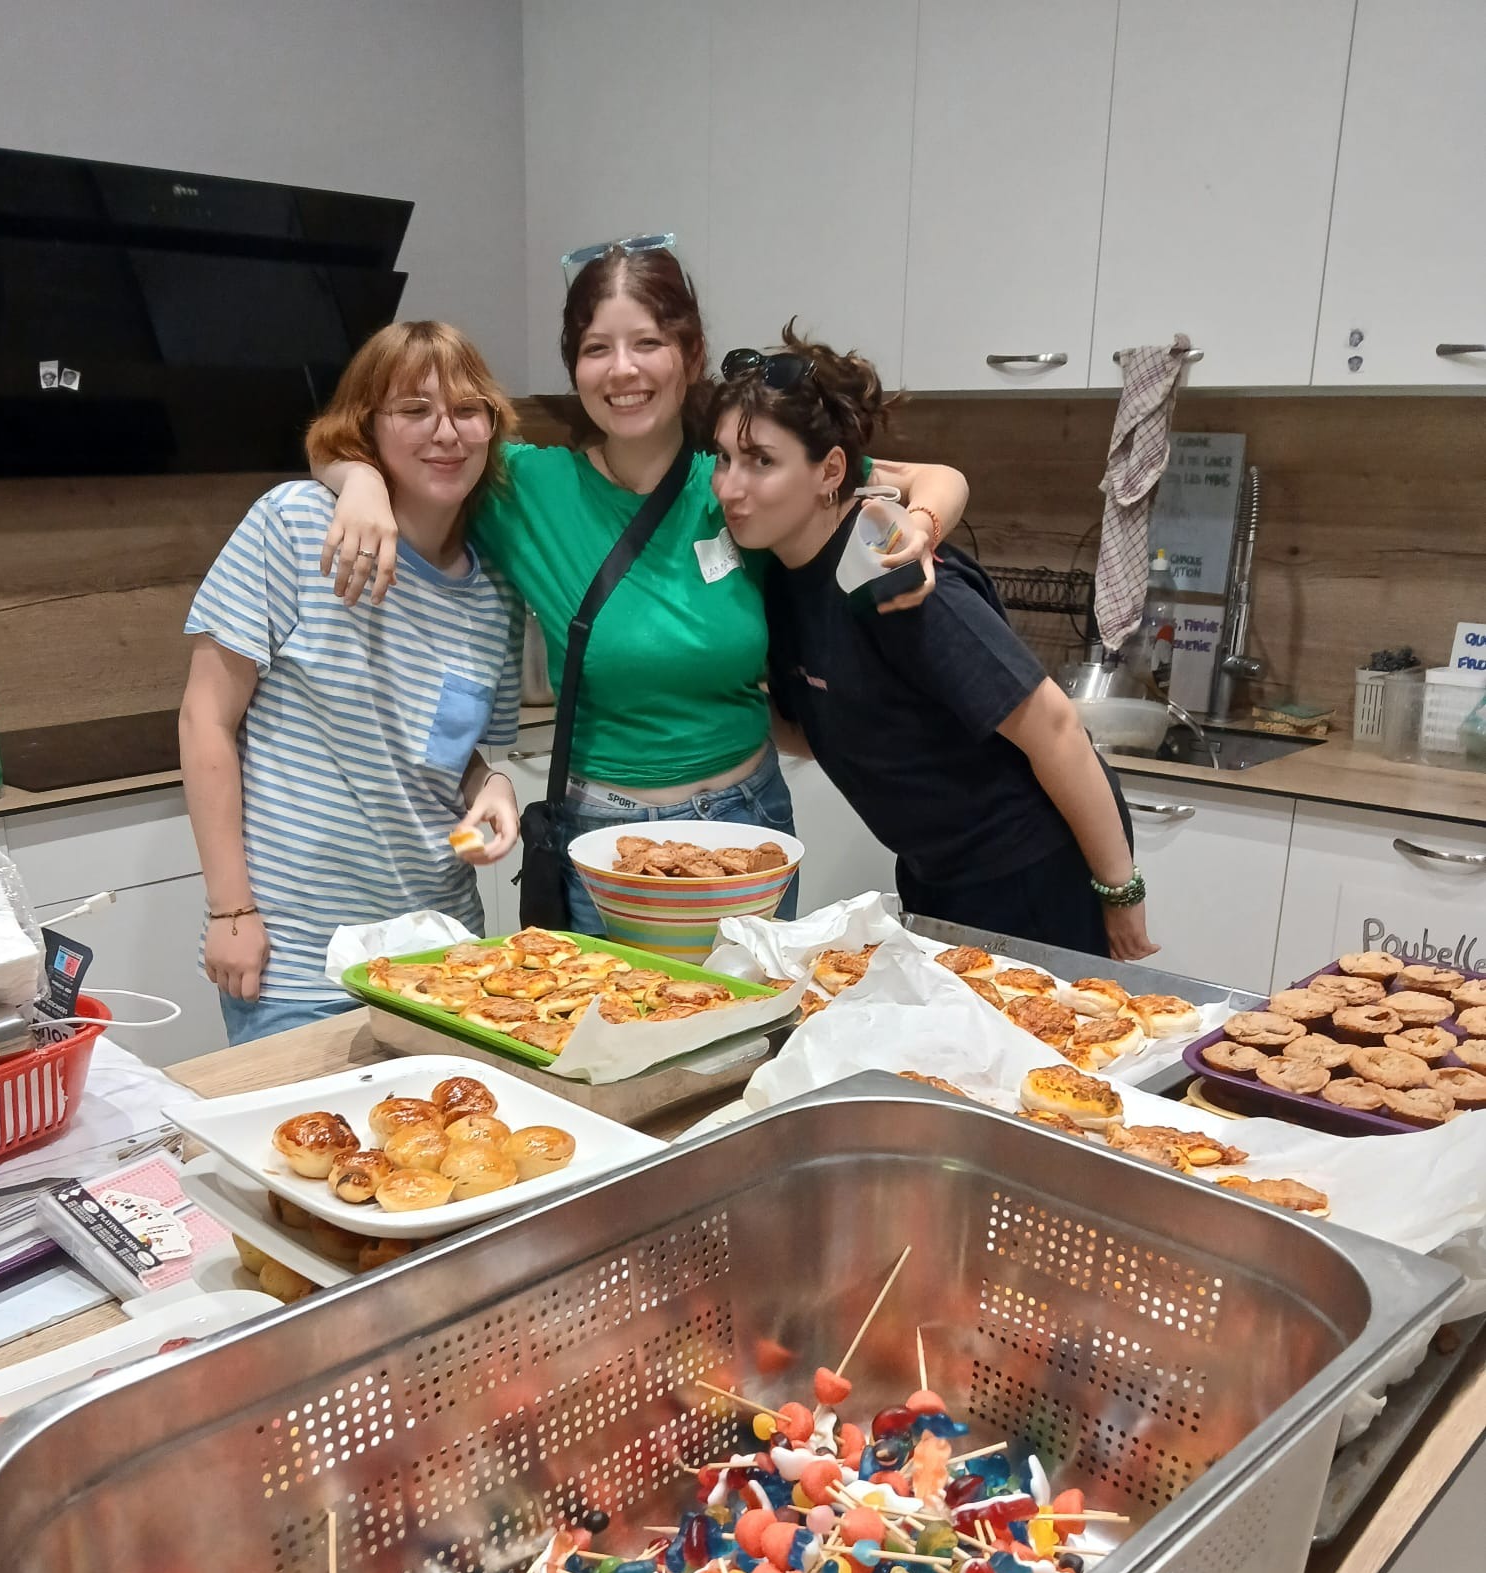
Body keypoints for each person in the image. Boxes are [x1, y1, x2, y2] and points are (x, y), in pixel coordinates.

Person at [313, 243, 970, 933]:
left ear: (690, 356)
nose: (622, 370)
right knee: (607, 1033)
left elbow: (937, 479)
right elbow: (348, 438)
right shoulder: (526, 488)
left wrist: (916, 527)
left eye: (647, 342)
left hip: (749, 829)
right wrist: (358, 482)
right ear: (575, 365)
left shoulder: (743, 481)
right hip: (606, 846)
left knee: (752, 1033)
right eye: (597, 347)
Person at [710, 329, 1156, 961]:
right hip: (935, 871)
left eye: (761, 461)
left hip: (1030, 870)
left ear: (830, 471)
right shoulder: (780, 577)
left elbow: (1055, 726)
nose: (730, 487)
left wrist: (1121, 892)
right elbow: (821, 730)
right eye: (723, 459)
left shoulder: (893, 574)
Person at [179, 320, 524, 1046]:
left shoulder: (494, 591)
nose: (447, 432)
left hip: (444, 960)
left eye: (467, 410)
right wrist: (230, 912)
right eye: (413, 410)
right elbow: (205, 719)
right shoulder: (296, 526)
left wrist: (488, 787)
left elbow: (456, 755)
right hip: (298, 968)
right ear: (368, 427)